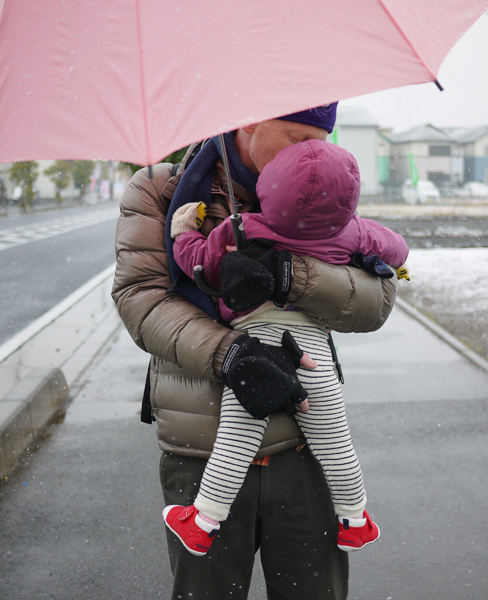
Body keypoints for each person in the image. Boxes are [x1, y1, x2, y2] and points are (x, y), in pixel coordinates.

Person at [112, 103, 398, 600]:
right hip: (202, 445)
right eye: (294, 137)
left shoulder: (322, 190)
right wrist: (231, 354)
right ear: (249, 119)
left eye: (319, 141)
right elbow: (140, 297)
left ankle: (356, 515)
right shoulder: (158, 190)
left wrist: (292, 276)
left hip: (303, 448)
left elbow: (375, 301)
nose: (310, 153)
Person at [164, 139, 408, 557]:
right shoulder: (353, 230)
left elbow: (200, 264)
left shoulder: (245, 227)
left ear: (270, 188)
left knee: (235, 441)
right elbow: (397, 249)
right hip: (312, 343)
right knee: (335, 439)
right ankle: (355, 518)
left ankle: (203, 522)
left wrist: (184, 233)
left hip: (256, 345)